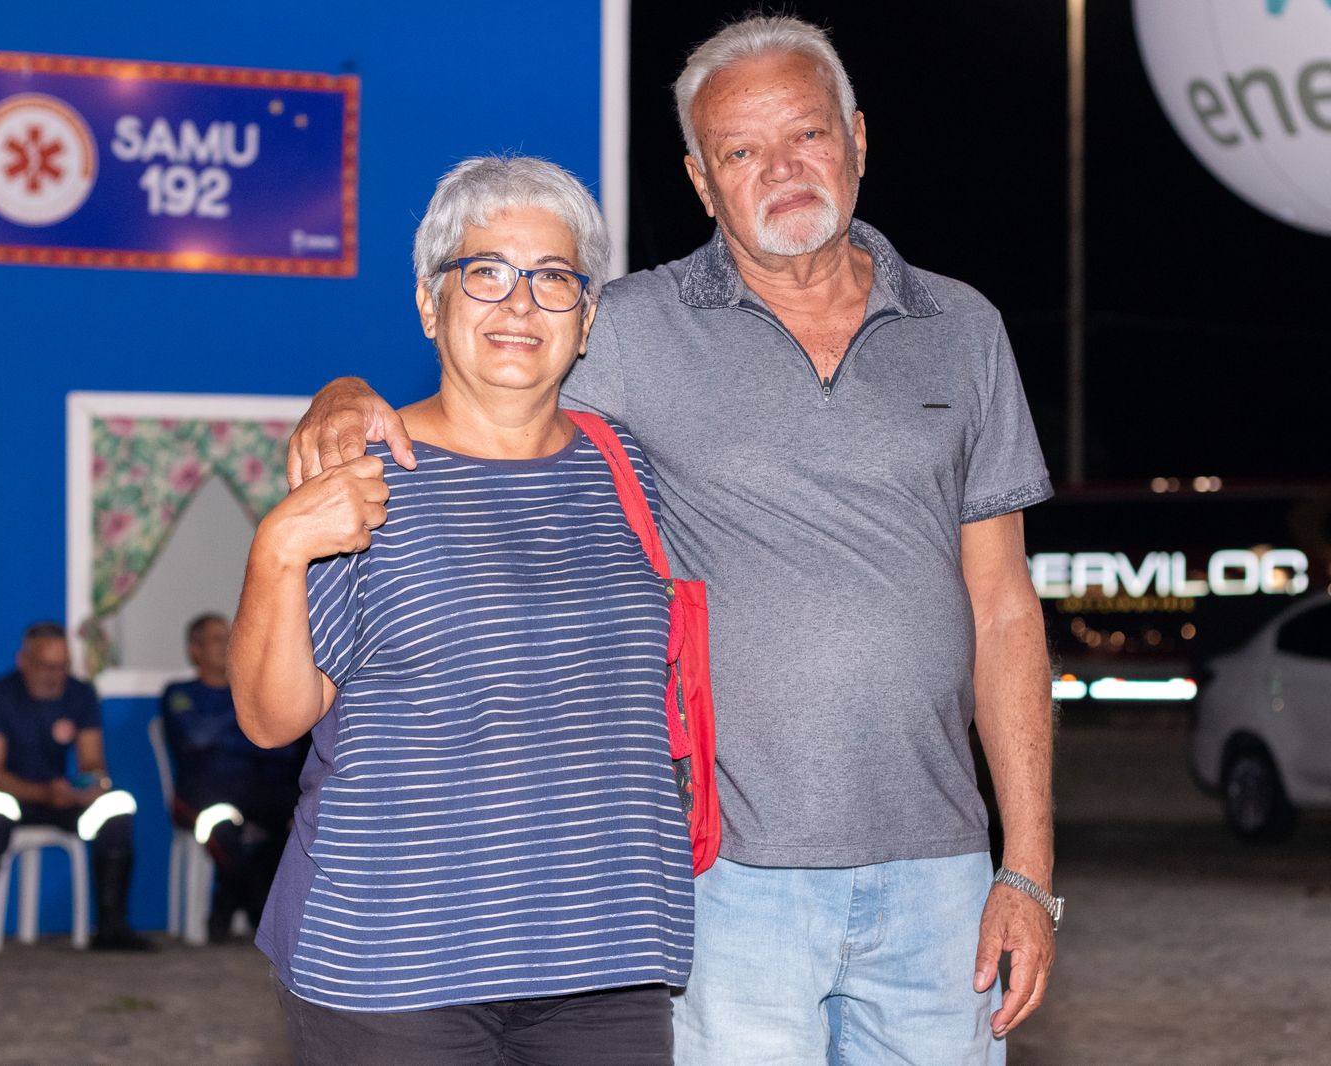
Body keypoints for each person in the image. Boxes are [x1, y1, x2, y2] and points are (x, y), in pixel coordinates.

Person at [286, 15, 1058, 1064]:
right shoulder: (625, 326)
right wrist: (339, 392)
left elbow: (1004, 604)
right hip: (727, 885)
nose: (780, 170)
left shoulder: (965, 329)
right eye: (741, 151)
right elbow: (483, 371)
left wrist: (1026, 867)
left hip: (942, 880)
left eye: (806, 136)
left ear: (859, 138)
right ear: (700, 181)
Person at [231, 155, 693, 1066]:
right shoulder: (364, 478)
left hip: (607, 962)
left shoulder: (633, 471)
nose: (519, 305)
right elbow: (268, 715)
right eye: (484, 272)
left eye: (553, 278)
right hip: (394, 968)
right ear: (428, 306)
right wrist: (278, 549)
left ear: (588, 318)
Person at [0, 622, 153, 956]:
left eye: (63, 666)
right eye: (47, 667)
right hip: (9, 795)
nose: (55, 675)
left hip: (57, 797)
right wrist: (44, 793)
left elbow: (92, 760)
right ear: (24, 661)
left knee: (117, 808)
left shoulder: (80, 694)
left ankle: (112, 927)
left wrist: (89, 786)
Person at [158, 612, 306, 941]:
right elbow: (196, 735)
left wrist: (225, 737)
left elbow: (280, 749)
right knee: (224, 829)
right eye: (215, 639)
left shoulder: (252, 692)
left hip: (254, 789)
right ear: (193, 650)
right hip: (200, 795)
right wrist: (242, 710)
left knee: (302, 816)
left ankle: (228, 905)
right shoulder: (179, 693)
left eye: (229, 635)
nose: (227, 644)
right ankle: (257, 909)